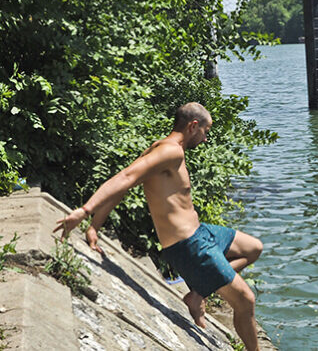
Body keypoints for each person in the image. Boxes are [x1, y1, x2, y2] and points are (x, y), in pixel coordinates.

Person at [54, 102, 262, 351]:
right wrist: (85, 211)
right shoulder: (170, 152)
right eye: (205, 131)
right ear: (193, 126)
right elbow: (125, 178)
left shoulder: (159, 148)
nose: (205, 139)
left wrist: (94, 227)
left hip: (201, 232)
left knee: (253, 248)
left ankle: (197, 294)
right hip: (190, 246)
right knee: (245, 301)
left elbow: (124, 185)